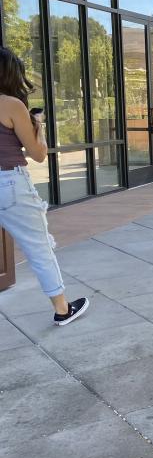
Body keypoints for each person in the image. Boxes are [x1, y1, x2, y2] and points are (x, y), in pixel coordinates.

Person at [0, 47, 88, 325]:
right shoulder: (11, 104)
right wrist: (37, 125)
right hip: (9, 183)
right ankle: (62, 310)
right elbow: (38, 153)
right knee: (38, 247)